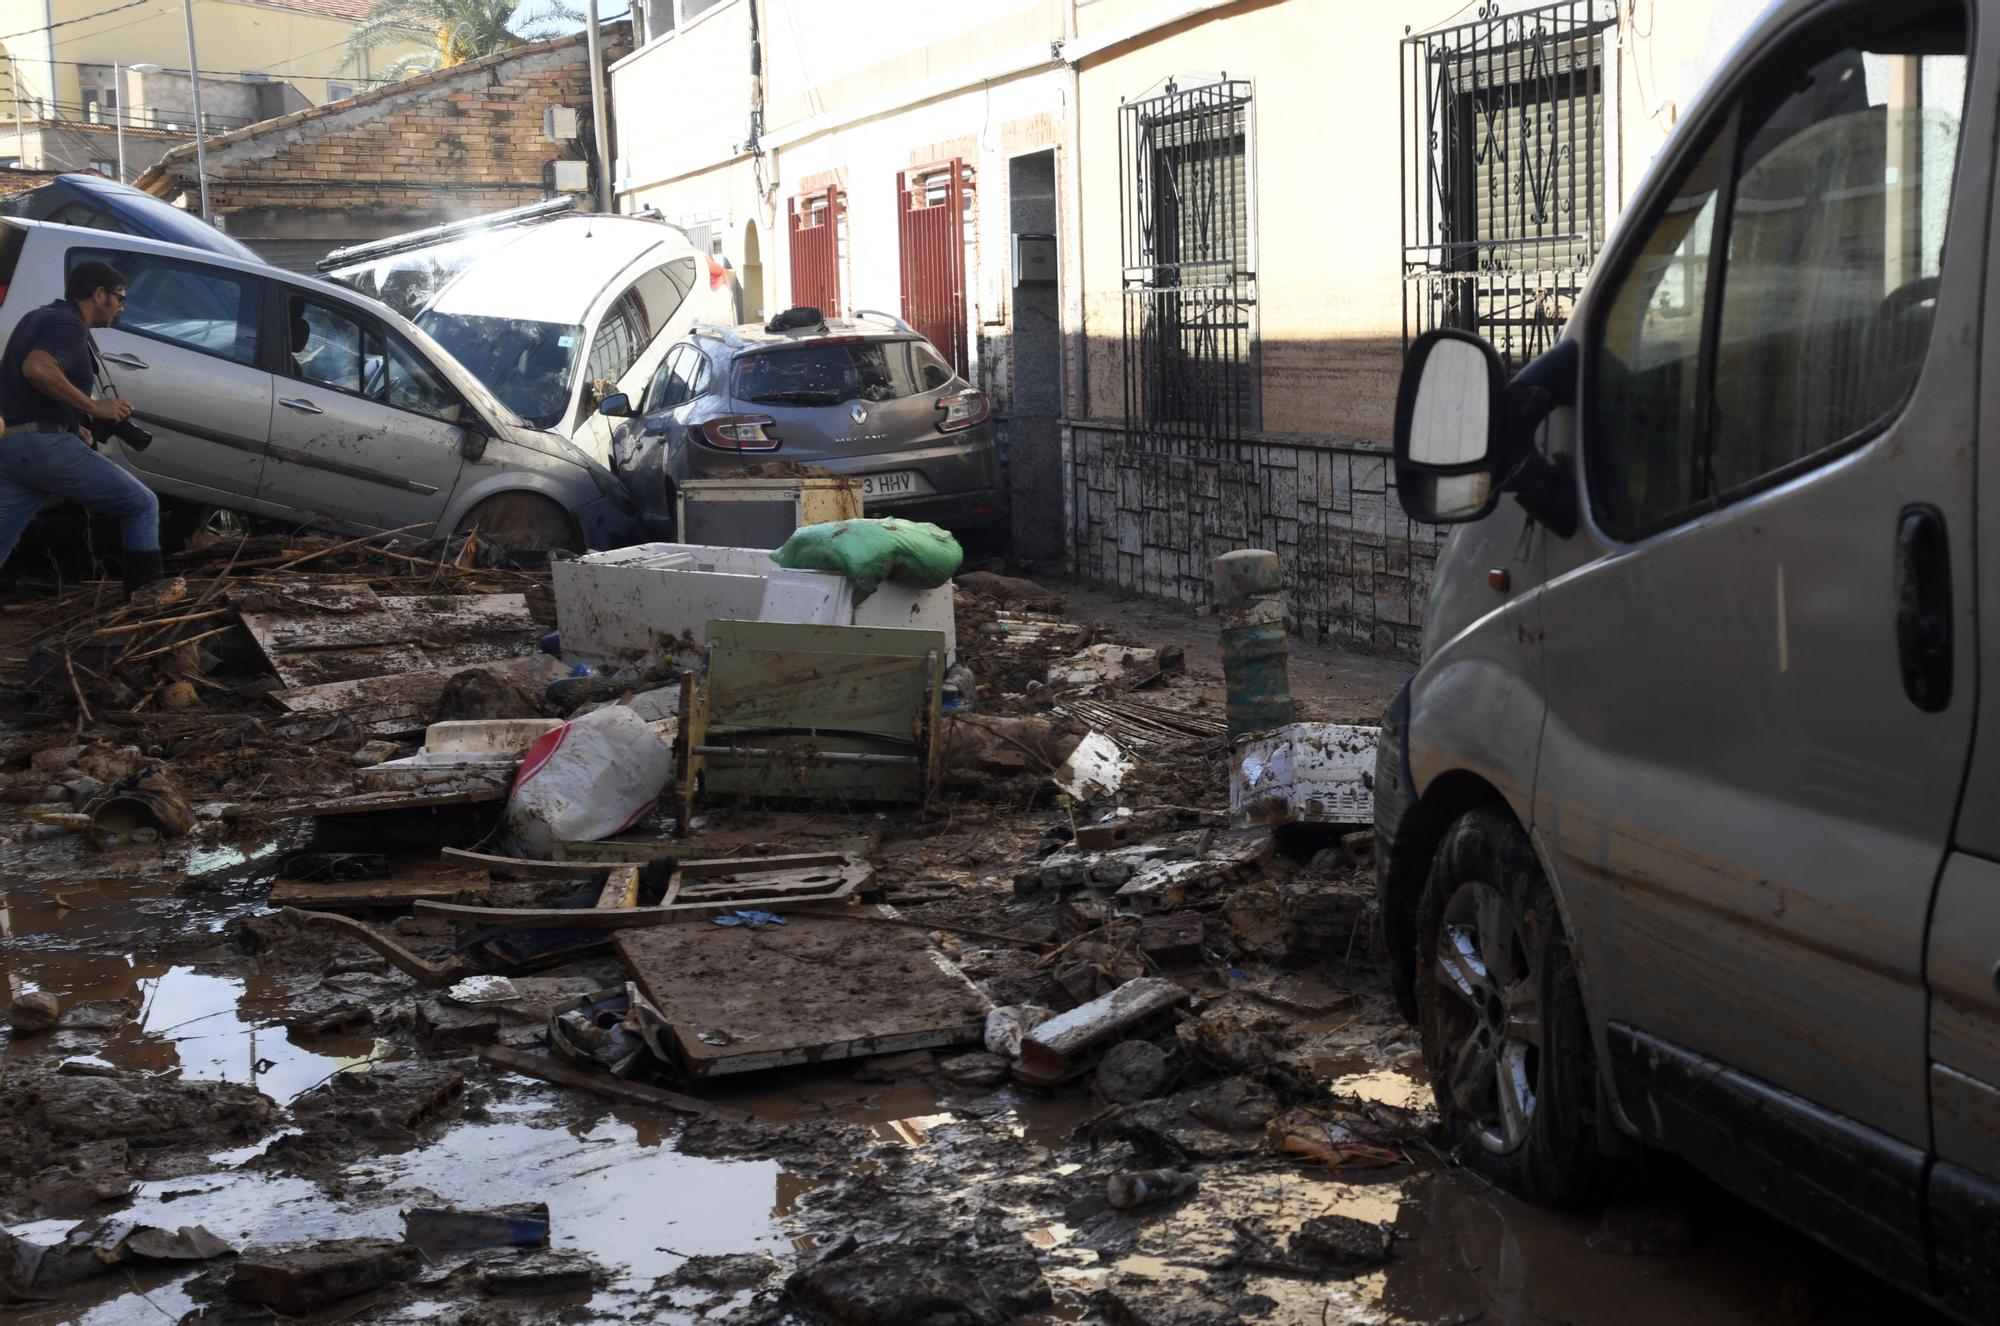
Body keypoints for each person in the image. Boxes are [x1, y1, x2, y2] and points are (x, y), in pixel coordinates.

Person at [0, 259, 164, 596]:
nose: (120, 308)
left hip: (14, 445)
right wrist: (93, 407)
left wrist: (73, 424)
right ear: (98, 294)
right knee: (141, 505)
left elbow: (23, 384)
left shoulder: (37, 316)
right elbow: (37, 369)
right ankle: (144, 604)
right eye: (120, 298)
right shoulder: (69, 325)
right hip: (42, 446)